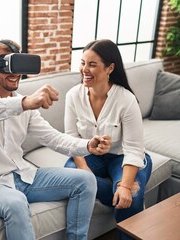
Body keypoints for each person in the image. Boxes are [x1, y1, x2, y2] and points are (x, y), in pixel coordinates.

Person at [0, 39, 112, 240]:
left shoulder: (25, 106)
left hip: (25, 176)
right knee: (16, 202)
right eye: (7, 65)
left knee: (86, 180)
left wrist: (88, 145)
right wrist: (23, 102)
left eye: (18, 65)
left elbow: (53, 138)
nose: (15, 74)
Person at [63, 39, 153, 239]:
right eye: (82, 63)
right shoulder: (73, 96)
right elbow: (71, 139)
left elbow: (133, 148)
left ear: (110, 68)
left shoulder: (126, 99)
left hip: (122, 157)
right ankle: (115, 185)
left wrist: (126, 186)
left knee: (132, 195)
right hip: (89, 156)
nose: (84, 69)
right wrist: (85, 171)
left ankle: (123, 187)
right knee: (71, 173)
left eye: (92, 64)